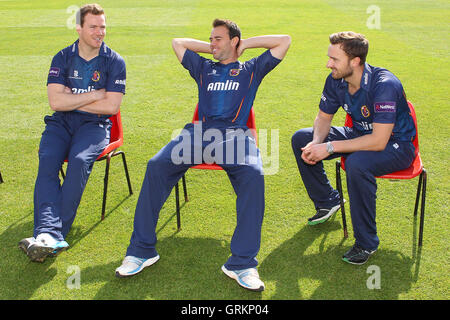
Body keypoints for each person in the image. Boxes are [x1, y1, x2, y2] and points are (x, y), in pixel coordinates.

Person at [116, 19, 290, 292]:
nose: (211, 44)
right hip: (199, 134)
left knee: (255, 176)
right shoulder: (203, 67)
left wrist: (244, 45)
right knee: (156, 165)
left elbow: (284, 40)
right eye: (210, 39)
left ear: (233, 41)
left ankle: (242, 263)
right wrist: (214, 50)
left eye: (218, 39)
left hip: (235, 136)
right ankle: (141, 250)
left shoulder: (251, 69)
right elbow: (178, 43)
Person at [291, 31, 416, 265]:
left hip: (396, 145)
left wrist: (329, 147)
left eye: (334, 59)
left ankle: (366, 243)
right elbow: (324, 117)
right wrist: (317, 142)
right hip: (359, 134)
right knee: (301, 138)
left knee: (357, 164)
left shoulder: (384, 85)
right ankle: (328, 201)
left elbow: (379, 141)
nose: (328, 64)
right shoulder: (336, 79)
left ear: (355, 61)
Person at [19, 3, 126, 262]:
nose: (100, 32)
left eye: (103, 27)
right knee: (47, 162)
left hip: (95, 126)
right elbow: (56, 103)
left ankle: (48, 234)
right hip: (61, 123)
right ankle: (50, 235)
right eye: (93, 27)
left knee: (78, 162)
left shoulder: (114, 61)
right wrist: (94, 94)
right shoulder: (63, 58)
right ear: (78, 28)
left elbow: (111, 106)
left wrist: (73, 98)